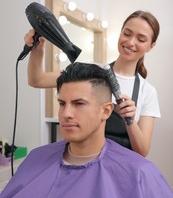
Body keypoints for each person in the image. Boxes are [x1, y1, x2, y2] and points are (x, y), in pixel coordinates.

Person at [0, 62, 172, 198]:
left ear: (106, 111)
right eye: (62, 103)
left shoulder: (140, 173)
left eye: (79, 104)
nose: (66, 114)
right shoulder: (37, 158)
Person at [25, 10, 161, 157]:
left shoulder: (147, 91)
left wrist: (130, 121)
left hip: (120, 170)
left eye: (141, 39)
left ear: (151, 46)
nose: (130, 42)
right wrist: (37, 49)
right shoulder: (91, 71)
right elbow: (37, 80)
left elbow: (142, 151)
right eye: (127, 34)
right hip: (82, 161)